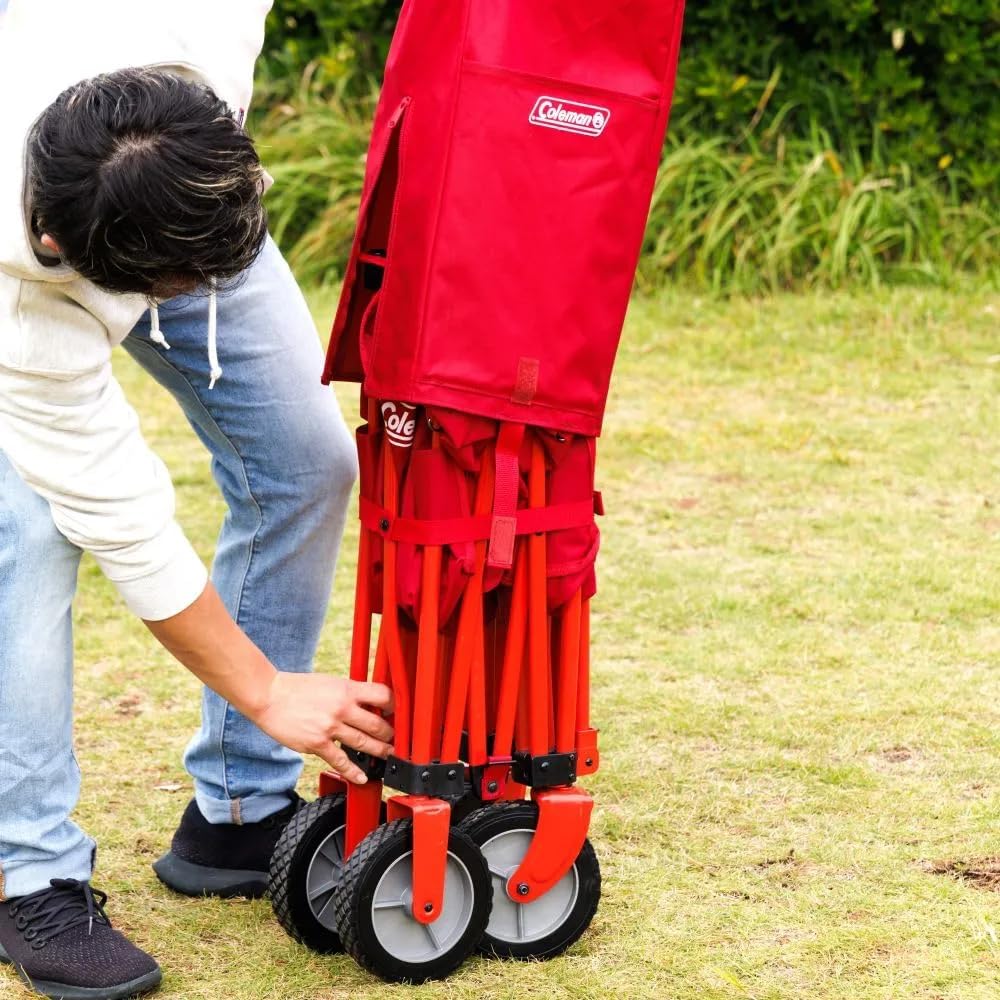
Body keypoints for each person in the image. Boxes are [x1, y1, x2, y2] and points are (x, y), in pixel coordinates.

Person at [0, 3, 393, 998]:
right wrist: (265, 685)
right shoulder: (22, 273)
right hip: (50, 241)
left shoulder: (200, 55)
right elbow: (122, 511)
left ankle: (235, 812)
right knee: (29, 529)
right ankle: (27, 869)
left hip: (171, 175)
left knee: (308, 459)